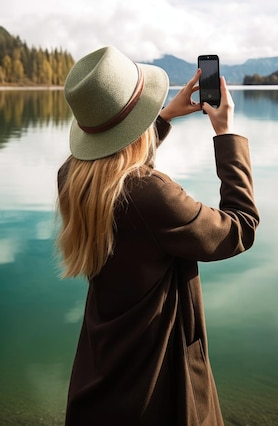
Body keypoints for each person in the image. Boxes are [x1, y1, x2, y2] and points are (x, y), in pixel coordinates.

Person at [56, 45, 260, 426]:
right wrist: (226, 134)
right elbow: (239, 229)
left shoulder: (72, 180)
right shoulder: (153, 196)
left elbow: (113, 166)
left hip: (100, 381)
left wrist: (163, 119)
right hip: (156, 394)